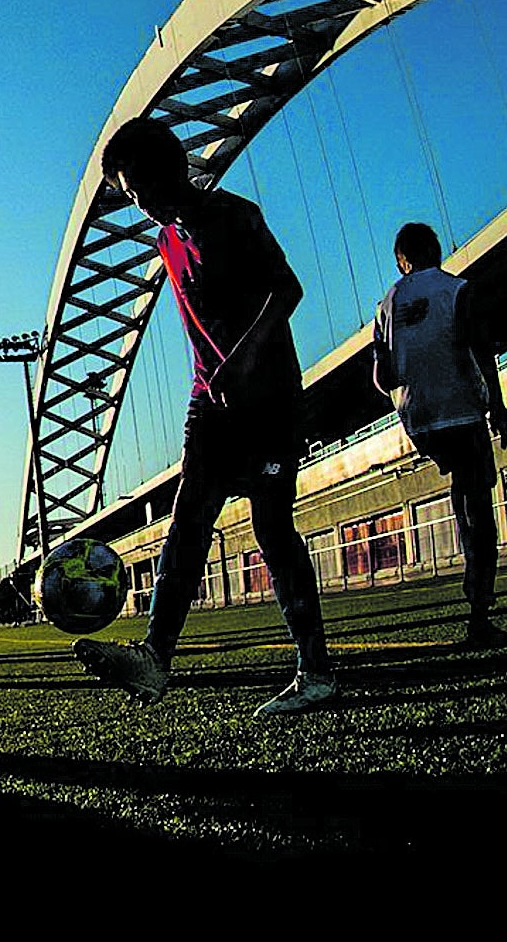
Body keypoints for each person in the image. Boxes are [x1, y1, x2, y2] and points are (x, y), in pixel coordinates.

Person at [73, 116, 337, 716]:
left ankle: (316, 673)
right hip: (209, 403)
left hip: (268, 398)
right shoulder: (166, 239)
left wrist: (242, 359)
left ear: (168, 170)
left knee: (272, 529)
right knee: (189, 519)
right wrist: (211, 376)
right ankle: (155, 659)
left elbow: (287, 290)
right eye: (127, 195)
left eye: (136, 189)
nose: (137, 205)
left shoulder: (233, 216)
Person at [371, 222, 507, 648]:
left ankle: (468, 550)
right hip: (461, 408)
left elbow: (383, 376)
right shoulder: (457, 289)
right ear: (435, 250)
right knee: (479, 501)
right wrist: (498, 405)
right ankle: (479, 608)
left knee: (462, 485)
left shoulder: (385, 304)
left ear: (401, 260)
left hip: (419, 418)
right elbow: (479, 348)